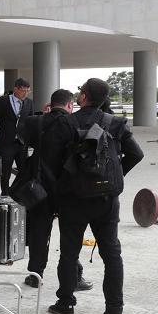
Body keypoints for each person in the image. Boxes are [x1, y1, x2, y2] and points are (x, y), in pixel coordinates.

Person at [44, 78, 143, 314]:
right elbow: (136, 154)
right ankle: (114, 310)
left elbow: (50, 163)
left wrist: (61, 189)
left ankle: (65, 303)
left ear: (84, 97)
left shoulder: (66, 123)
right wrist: (114, 177)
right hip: (106, 199)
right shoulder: (115, 123)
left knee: (68, 252)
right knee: (111, 253)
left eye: (81, 92)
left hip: (73, 200)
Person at [17, 89, 93, 293]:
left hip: (39, 184)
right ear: (69, 105)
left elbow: (23, 142)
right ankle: (74, 275)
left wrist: (42, 117)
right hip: (67, 186)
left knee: (39, 232)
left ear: (51, 104)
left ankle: (35, 274)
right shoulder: (74, 123)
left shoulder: (35, 122)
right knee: (70, 234)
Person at [0, 77, 34, 195]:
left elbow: (30, 122)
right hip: (6, 142)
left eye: (28, 91)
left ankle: (18, 193)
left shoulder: (29, 102)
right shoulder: (2, 101)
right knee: (5, 171)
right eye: (23, 90)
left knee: (24, 170)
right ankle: (4, 194)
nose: (26, 93)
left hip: (21, 143)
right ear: (15, 89)